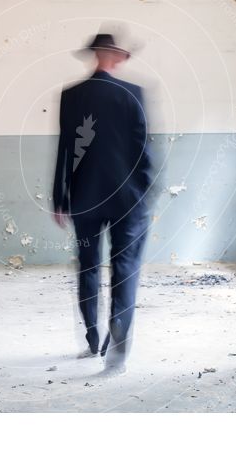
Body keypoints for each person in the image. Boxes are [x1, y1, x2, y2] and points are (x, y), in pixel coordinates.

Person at [51, 31, 155, 375]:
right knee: (125, 270)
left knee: (88, 266)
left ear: (95, 55)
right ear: (117, 57)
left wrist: (60, 197)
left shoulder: (71, 95)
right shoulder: (133, 94)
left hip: (85, 197)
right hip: (128, 200)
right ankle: (117, 353)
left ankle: (93, 338)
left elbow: (66, 148)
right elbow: (145, 148)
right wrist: (145, 192)